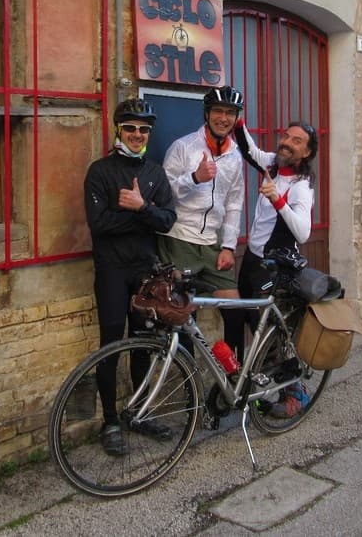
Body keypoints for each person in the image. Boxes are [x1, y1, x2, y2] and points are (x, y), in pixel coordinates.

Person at [83, 98, 176, 456]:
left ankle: (138, 412)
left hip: (144, 270)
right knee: (110, 347)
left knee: (142, 346)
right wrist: (143, 215)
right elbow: (99, 225)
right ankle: (109, 420)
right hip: (110, 270)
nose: (137, 135)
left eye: (143, 130)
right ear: (118, 130)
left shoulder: (155, 172)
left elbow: (168, 221)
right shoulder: (100, 171)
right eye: (130, 128)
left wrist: (142, 208)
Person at [227, 119, 318, 362]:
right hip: (252, 258)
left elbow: (303, 233)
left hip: (275, 266)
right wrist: (238, 122)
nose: (286, 143)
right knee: (242, 314)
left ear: (307, 153)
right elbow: (250, 152)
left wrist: (278, 200)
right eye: (286, 136)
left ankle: (290, 387)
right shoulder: (275, 165)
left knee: (264, 327)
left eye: (296, 141)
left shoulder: (301, 186)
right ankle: (241, 379)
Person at [158, 86, 245, 305]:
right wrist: (194, 178)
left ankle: (232, 343)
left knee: (233, 306)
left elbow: (234, 203)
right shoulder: (182, 147)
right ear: (207, 113)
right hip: (179, 239)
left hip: (212, 244)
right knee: (181, 310)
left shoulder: (235, 155)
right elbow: (163, 195)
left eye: (230, 113)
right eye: (218, 111)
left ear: (236, 118)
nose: (223, 118)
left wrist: (228, 246)